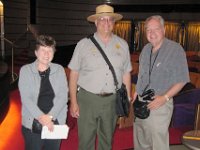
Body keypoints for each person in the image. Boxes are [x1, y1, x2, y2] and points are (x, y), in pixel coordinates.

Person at [68, 4, 132, 150]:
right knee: (85, 140)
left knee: (107, 140)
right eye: (102, 19)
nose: (106, 23)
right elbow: (74, 73)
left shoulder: (122, 45)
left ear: (114, 23)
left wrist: (127, 98)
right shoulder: (83, 44)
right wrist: (74, 101)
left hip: (111, 100)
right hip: (87, 99)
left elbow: (126, 72)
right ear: (96, 22)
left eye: (110, 20)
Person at [133, 15, 190, 150]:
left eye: (156, 29)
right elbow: (142, 74)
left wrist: (165, 98)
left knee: (158, 144)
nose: (152, 33)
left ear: (163, 30)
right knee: (140, 141)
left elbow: (182, 80)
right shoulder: (145, 50)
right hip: (141, 102)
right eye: (148, 30)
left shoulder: (175, 50)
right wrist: (136, 91)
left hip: (159, 103)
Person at [18, 35, 68, 150]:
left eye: (50, 50)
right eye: (43, 50)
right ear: (36, 52)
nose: (46, 54)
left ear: (53, 53)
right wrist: (42, 118)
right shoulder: (26, 70)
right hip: (33, 121)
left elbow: (62, 96)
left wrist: (50, 117)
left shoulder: (59, 69)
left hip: (55, 120)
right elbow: (26, 98)